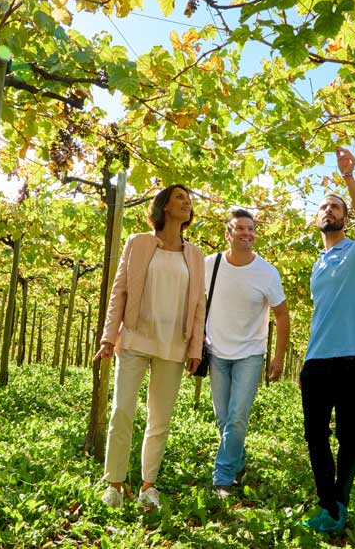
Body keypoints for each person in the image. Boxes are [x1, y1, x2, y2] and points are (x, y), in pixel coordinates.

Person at [94, 184, 206, 509]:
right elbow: (119, 292)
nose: (186, 202)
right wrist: (108, 337)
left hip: (174, 344)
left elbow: (199, 304)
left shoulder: (195, 255)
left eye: (189, 198)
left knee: (160, 418)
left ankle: (147, 486)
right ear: (165, 207)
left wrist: (195, 347)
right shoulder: (138, 243)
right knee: (122, 410)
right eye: (180, 198)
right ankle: (114, 484)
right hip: (135, 338)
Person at [301, 147, 355, 533]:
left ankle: (338, 505)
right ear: (317, 218)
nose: (328, 211)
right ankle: (328, 502)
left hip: (353, 357)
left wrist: (348, 178)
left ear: (345, 218)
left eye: (336, 208)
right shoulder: (317, 263)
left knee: (347, 433)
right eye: (323, 208)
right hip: (315, 360)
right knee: (315, 434)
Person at [204, 209, 290, 496]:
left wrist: (278, 357)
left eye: (251, 229)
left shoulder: (267, 272)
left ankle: (223, 477)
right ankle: (238, 461)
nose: (247, 233)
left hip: (250, 354)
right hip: (216, 351)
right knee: (222, 417)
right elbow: (192, 304)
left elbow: (282, 316)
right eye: (239, 228)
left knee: (238, 415)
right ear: (227, 234)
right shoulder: (209, 265)